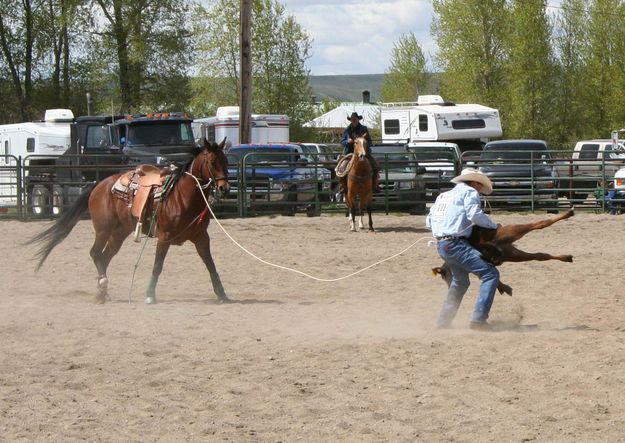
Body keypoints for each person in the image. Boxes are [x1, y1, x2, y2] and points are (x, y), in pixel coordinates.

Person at [426, 168, 500, 330]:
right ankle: (478, 320)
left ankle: (444, 321)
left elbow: (428, 221)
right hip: (455, 244)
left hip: (442, 245)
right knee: (490, 274)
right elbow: (475, 215)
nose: (480, 191)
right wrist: (494, 226)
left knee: (460, 282)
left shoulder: (443, 196)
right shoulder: (469, 192)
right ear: (474, 183)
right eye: (480, 186)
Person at [336, 112, 380, 200]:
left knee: (375, 166)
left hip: (363, 152)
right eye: (352, 119)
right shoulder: (347, 130)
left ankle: (375, 185)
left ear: (358, 119)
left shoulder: (364, 129)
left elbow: (370, 141)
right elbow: (342, 141)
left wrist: (364, 144)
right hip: (349, 152)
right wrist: (347, 142)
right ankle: (342, 186)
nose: (354, 121)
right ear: (351, 120)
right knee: (341, 167)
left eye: (355, 119)